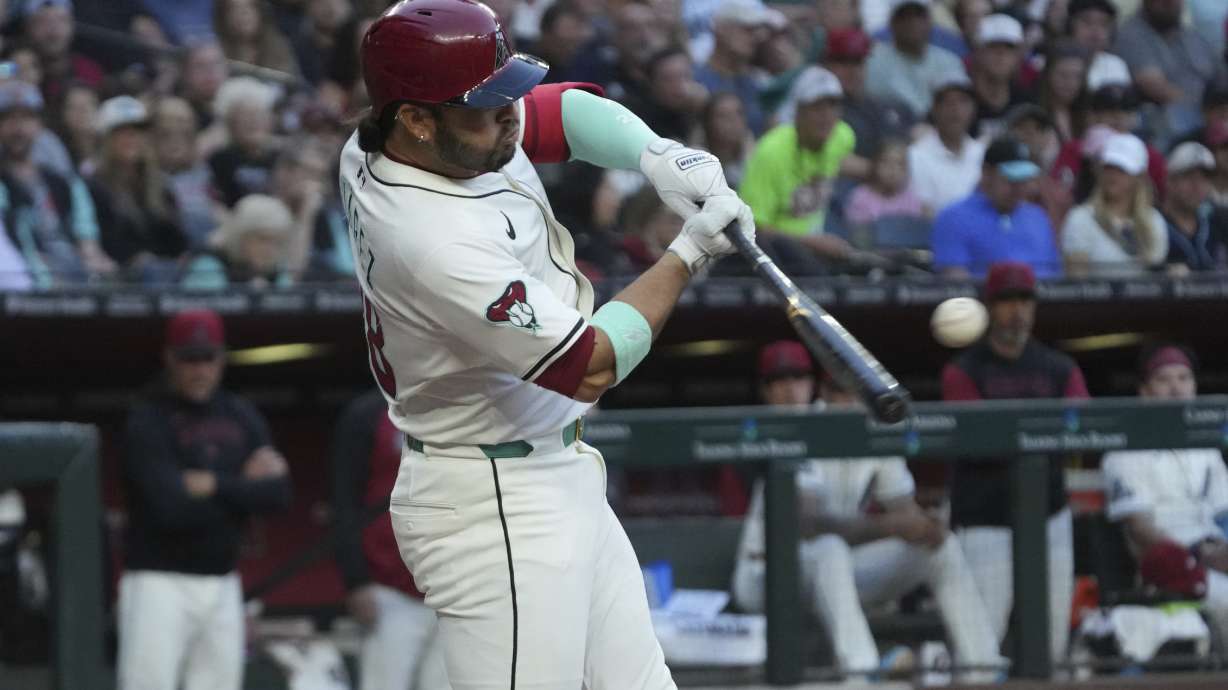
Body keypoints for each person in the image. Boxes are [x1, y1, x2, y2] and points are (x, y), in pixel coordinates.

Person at [341, 1, 756, 688]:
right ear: (415, 118)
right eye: (486, 104)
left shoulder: (401, 138)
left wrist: (655, 155)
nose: (510, 113)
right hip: (491, 497)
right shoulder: (432, 240)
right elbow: (588, 365)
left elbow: (558, 114)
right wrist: (687, 253)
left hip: (553, 469)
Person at [731, 341, 1003, 682]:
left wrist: (925, 525)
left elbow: (903, 510)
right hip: (766, 574)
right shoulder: (801, 426)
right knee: (829, 548)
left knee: (938, 546)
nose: (847, 401)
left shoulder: (874, 430)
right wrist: (894, 525)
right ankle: (862, 672)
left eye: (855, 392)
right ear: (824, 393)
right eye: (838, 391)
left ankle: (983, 668)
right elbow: (811, 524)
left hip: (832, 575)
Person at [117, 309, 292, 690]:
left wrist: (213, 483)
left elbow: (278, 493)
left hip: (223, 581)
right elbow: (171, 507)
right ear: (170, 358)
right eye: (189, 358)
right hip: (157, 581)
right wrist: (243, 486)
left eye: (207, 357)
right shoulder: (149, 418)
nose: (200, 369)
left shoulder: (240, 414)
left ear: (222, 357)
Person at [941, 261, 1089, 667]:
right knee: (981, 649)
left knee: (1053, 641)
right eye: (1006, 300)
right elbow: (978, 443)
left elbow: (1083, 426)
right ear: (990, 306)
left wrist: (1030, 437)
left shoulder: (1059, 367)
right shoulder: (964, 370)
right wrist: (1042, 435)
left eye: (1024, 299)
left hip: (1049, 515)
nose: (1017, 309)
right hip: (986, 519)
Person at [1101, 343, 1228, 651]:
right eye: (1164, 380)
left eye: (1184, 379)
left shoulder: (1206, 447)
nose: (1176, 388)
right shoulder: (1125, 450)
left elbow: (1225, 512)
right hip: (1169, 567)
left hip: (1215, 557)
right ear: (1145, 391)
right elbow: (1140, 530)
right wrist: (1197, 557)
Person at [332, 391, 448, 690]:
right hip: (389, 587)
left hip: (455, 587)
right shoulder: (368, 413)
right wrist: (356, 580)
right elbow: (343, 501)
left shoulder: (467, 402)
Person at [0, 79, 113, 287]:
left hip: (72, 272)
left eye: (26, 118)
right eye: (9, 119)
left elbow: (87, 240)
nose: (18, 129)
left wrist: (93, 262)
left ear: (39, 124)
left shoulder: (63, 182)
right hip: (23, 278)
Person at [739, 66, 855, 265]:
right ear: (798, 112)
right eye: (817, 108)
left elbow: (846, 162)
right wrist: (815, 243)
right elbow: (752, 228)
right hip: (777, 256)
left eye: (833, 107)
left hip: (821, 244)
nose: (826, 116)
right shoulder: (771, 152)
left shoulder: (841, 136)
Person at [88, 96, 187, 284]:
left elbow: (177, 238)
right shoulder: (94, 186)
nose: (131, 138)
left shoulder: (160, 184)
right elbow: (106, 240)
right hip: (122, 276)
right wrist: (136, 258)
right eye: (122, 132)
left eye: (137, 132)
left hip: (167, 268)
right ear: (106, 139)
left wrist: (181, 256)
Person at [931, 136, 1061, 278]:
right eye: (1011, 179)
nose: (1019, 187)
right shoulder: (953, 218)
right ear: (987, 173)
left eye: (1024, 179)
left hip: (1040, 299)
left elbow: (1054, 276)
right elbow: (956, 283)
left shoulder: (1038, 218)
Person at [1114, 0, 1225, 145]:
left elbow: (1221, 78)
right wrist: (1205, 110)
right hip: (1166, 121)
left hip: (1212, 114)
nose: (1169, 2)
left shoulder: (1194, 37)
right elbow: (1154, 86)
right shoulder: (1131, 34)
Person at [1061, 133, 1169, 277]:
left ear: (1139, 176)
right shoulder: (1081, 218)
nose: (1113, 175)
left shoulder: (1154, 221)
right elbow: (1077, 285)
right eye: (1108, 168)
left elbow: (1156, 278)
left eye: (1122, 169)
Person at [821, 27, 916, 160]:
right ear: (826, 65)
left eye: (857, 62)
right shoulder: (817, 110)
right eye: (843, 62)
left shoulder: (886, 105)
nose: (852, 71)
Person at [865, 0, 965, 119]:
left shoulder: (950, 62)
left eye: (919, 15)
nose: (913, 23)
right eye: (904, 17)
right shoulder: (873, 61)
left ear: (930, 21)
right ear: (892, 23)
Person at [693, 0, 775, 135]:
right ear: (721, 29)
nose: (756, 37)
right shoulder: (695, 80)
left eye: (757, 30)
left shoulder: (760, 83)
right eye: (746, 29)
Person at [908, 70, 984, 215]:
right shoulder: (916, 155)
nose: (956, 110)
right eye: (947, 102)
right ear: (935, 109)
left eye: (963, 101)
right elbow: (924, 212)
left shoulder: (982, 153)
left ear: (973, 109)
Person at [181, 193, 295, 290]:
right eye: (263, 239)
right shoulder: (209, 265)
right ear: (240, 237)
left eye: (277, 242)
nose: (270, 249)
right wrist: (247, 294)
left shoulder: (278, 272)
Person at [206, 77, 281, 206]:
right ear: (230, 123)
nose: (253, 121)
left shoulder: (281, 158)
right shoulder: (219, 160)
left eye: (258, 115)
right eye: (245, 116)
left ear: (270, 120)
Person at [1161, 142, 1228, 271]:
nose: (1197, 186)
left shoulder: (1219, 220)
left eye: (1204, 178)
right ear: (1170, 181)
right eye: (1188, 177)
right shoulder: (1153, 222)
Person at [968, 13, 1028, 140]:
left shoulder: (1025, 102)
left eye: (1009, 47)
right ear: (977, 52)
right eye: (993, 46)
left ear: (1018, 56)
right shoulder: (961, 100)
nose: (1001, 54)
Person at [845, 138, 927, 226]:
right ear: (875, 164)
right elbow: (857, 233)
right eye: (886, 163)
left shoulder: (911, 199)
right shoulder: (860, 197)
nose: (893, 170)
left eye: (900, 165)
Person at [1065, 0, 1129, 91]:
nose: (1095, 30)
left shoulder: (1116, 65)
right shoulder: (1050, 63)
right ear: (1070, 26)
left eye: (1103, 24)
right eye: (1087, 22)